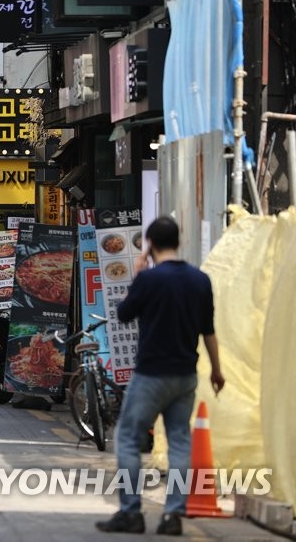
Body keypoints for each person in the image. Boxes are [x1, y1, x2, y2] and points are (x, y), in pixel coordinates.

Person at [96, 217, 225, 536]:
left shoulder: (149, 279)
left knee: (127, 437)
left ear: (150, 244)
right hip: (185, 375)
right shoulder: (200, 280)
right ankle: (172, 515)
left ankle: (130, 512)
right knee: (180, 442)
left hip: (151, 374)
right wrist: (218, 371)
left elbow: (124, 314)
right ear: (178, 241)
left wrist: (138, 276)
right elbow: (208, 330)